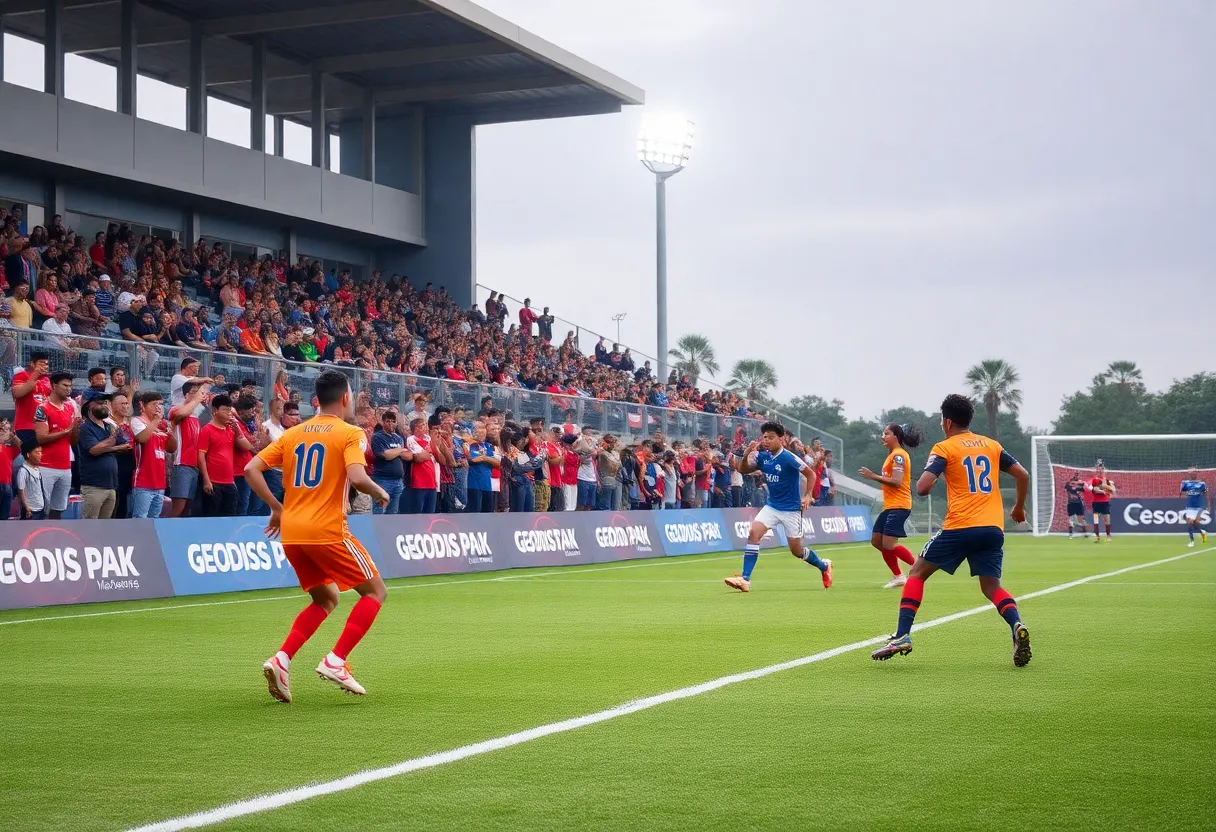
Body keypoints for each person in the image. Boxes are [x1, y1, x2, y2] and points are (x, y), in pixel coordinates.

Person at [246, 370, 391, 702]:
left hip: (293, 532)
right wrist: (379, 490)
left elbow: (251, 468)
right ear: (344, 398)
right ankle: (336, 660)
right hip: (327, 529)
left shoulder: (293, 433)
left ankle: (281, 659)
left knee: (326, 599)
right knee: (375, 592)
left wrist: (276, 508)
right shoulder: (350, 432)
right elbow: (357, 476)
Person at [872, 394, 1032, 667]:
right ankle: (1016, 625)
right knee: (992, 586)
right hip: (993, 528)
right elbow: (1023, 474)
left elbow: (922, 487)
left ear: (947, 421)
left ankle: (902, 636)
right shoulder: (992, 445)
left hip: (960, 526)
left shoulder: (945, 448)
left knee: (917, 573)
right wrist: (1017, 508)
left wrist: (934, 478)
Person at [725, 422, 831, 592]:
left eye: (771, 437)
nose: (766, 440)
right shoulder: (762, 456)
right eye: (764, 437)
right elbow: (743, 470)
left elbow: (810, 474)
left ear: (781, 439)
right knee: (753, 533)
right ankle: (745, 579)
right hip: (772, 507)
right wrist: (746, 454)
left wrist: (808, 495)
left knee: (796, 551)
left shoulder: (789, 457)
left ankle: (823, 566)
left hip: (791, 510)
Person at [858, 424, 924, 588]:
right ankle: (899, 576)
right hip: (890, 506)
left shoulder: (899, 456)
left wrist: (873, 476)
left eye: (886, 433)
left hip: (899, 505)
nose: (883, 436)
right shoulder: (892, 455)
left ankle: (918, 566)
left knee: (888, 544)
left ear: (896, 436)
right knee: (876, 541)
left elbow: (897, 481)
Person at [33, 371, 79, 520]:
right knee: (41, 510)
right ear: (54, 386)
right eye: (65, 385)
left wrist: (76, 430)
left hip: (65, 467)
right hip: (45, 466)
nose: (68, 389)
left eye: (70, 386)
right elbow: (41, 438)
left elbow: (72, 441)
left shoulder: (70, 408)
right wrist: (67, 431)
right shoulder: (43, 408)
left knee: (58, 509)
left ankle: (54, 538)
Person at [198, 394, 253, 517]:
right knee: (212, 517)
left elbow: (247, 447)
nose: (229, 413)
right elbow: (201, 456)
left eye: (230, 410)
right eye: (225, 409)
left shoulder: (231, 429)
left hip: (229, 481)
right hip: (213, 482)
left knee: (230, 517)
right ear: (215, 411)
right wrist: (206, 480)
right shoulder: (207, 430)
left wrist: (238, 430)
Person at [77, 393, 130, 519]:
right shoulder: (85, 427)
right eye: (100, 403)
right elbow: (94, 450)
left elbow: (125, 445)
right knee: (90, 526)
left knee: (105, 527)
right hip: (93, 486)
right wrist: (113, 440)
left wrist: (115, 444)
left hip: (111, 485)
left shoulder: (108, 426)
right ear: (90, 406)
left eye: (105, 403)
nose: (104, 406)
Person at [130, 391, 176, 519]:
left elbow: (171, 449)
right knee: (140, 518)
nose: (158, 407)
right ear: (142, 406)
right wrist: (156, 421)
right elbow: (143, 438)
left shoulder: (162, 425)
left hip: (160, 482)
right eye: (154, 404)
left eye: (160, 404)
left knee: (155, 519)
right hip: (143, 482)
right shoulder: (137, 421)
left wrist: (170, 432)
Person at [169, 381, 208, 517]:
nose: (199, 396)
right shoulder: (176, 410)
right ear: (186, 395)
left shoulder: (196, 419)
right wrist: (196, 399)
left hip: (193, 467)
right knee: (178, 508)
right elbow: (181, 414)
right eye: (194, 393)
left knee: (187, 509)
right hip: (181, 464)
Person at [371, 411, 409, 515]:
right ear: (383, 422)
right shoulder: (377, 437)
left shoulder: (398, 437)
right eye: (388, 421)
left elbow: (408, 456)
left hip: (398, 481)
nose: (391, 424)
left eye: (393, 421)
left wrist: (396, 451)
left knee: (393, 512)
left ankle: (389, 531)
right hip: (382, 480)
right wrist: (400, 450)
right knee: (378, 510)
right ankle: (377, 530)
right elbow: (386, 455)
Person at [12, 351, 51, 453]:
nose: (45, 367)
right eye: (41, 364)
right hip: (25, 426)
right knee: (27, 458)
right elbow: (17, 393)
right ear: (32, 364)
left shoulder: (48, 380)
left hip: (44, 427)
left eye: (46, 364)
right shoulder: (21, 375)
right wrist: (35, 375)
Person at [405, 417, 437, 514]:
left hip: (432, 483)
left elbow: (434, 453)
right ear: (416, 428)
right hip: (419, 483)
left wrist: (429, 453)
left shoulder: (430, 439)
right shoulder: (410, 439)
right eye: (423, 425)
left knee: (430, 514)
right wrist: (429, 453)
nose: (426, 427)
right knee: (418, 514)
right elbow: (419, 457)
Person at [465, 422, 498, 513]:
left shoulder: (488, 446)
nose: (482, 431)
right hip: (472, 485)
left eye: (484, 428)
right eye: (479, 428)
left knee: (488, 514)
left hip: (487, 485)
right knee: (474, 514)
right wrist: (479, 459)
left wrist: (484, 458)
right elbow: (468, 459)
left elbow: (497, 463)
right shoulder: (468, 445)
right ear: (473, 431)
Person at [1180, 466, 1210, 548]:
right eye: (1191, 472)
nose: (1193, 474)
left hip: (1199, 506)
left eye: (1194, 472)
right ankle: (1193, 539)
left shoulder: (1202, 484)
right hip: (1190, 506)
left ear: (1197, 473)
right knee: (1191, 523)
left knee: (1196, 521)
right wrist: (1184, 495)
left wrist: (1208, 505)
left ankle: (1199, 534)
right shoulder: (1185, 483)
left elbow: (1206, 494)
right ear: (1189, 474)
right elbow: (1182, 494)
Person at [1086, 463, 1116, 544]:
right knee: (1096, 520)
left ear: (1103, 470)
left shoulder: (1107, 481)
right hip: (1096, 502)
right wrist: (1104, 491)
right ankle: (1097, 536)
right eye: (1098, 470)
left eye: (1101, 469)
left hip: (1105, 502)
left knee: (1107, 520)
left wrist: (1109, 488)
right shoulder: (1095, 480)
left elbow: (1113, 490)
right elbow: (1095, 489)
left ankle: (1108, 536)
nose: (1099, 471)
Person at [16, 445, 45, 520]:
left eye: (41, 452)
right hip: (30, 511)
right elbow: (20, 491)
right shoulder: (23, 471)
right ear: (28, 455)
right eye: (37, 453)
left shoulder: (37, 469)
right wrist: (26, 508)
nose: (41, 455)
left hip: (40, 509)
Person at [0, 420, 19, 520]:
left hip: (7, 486)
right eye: (1, 429)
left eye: (6, 429)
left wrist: (12, 435)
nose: (4, 432)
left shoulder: (9, 450)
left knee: (4, 519)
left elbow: (22, 447)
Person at [1063, 472, 1089, 539]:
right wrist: (1080, 483)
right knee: (1072, 519)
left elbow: (1086, 489)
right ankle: (1071, 533)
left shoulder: (1078, 486)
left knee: (1081, 519)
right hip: (1072, 503)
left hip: (1077, 503)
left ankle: (1084, 533)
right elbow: (1068, 487)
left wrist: (1083, 483)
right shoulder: (1068, 485)